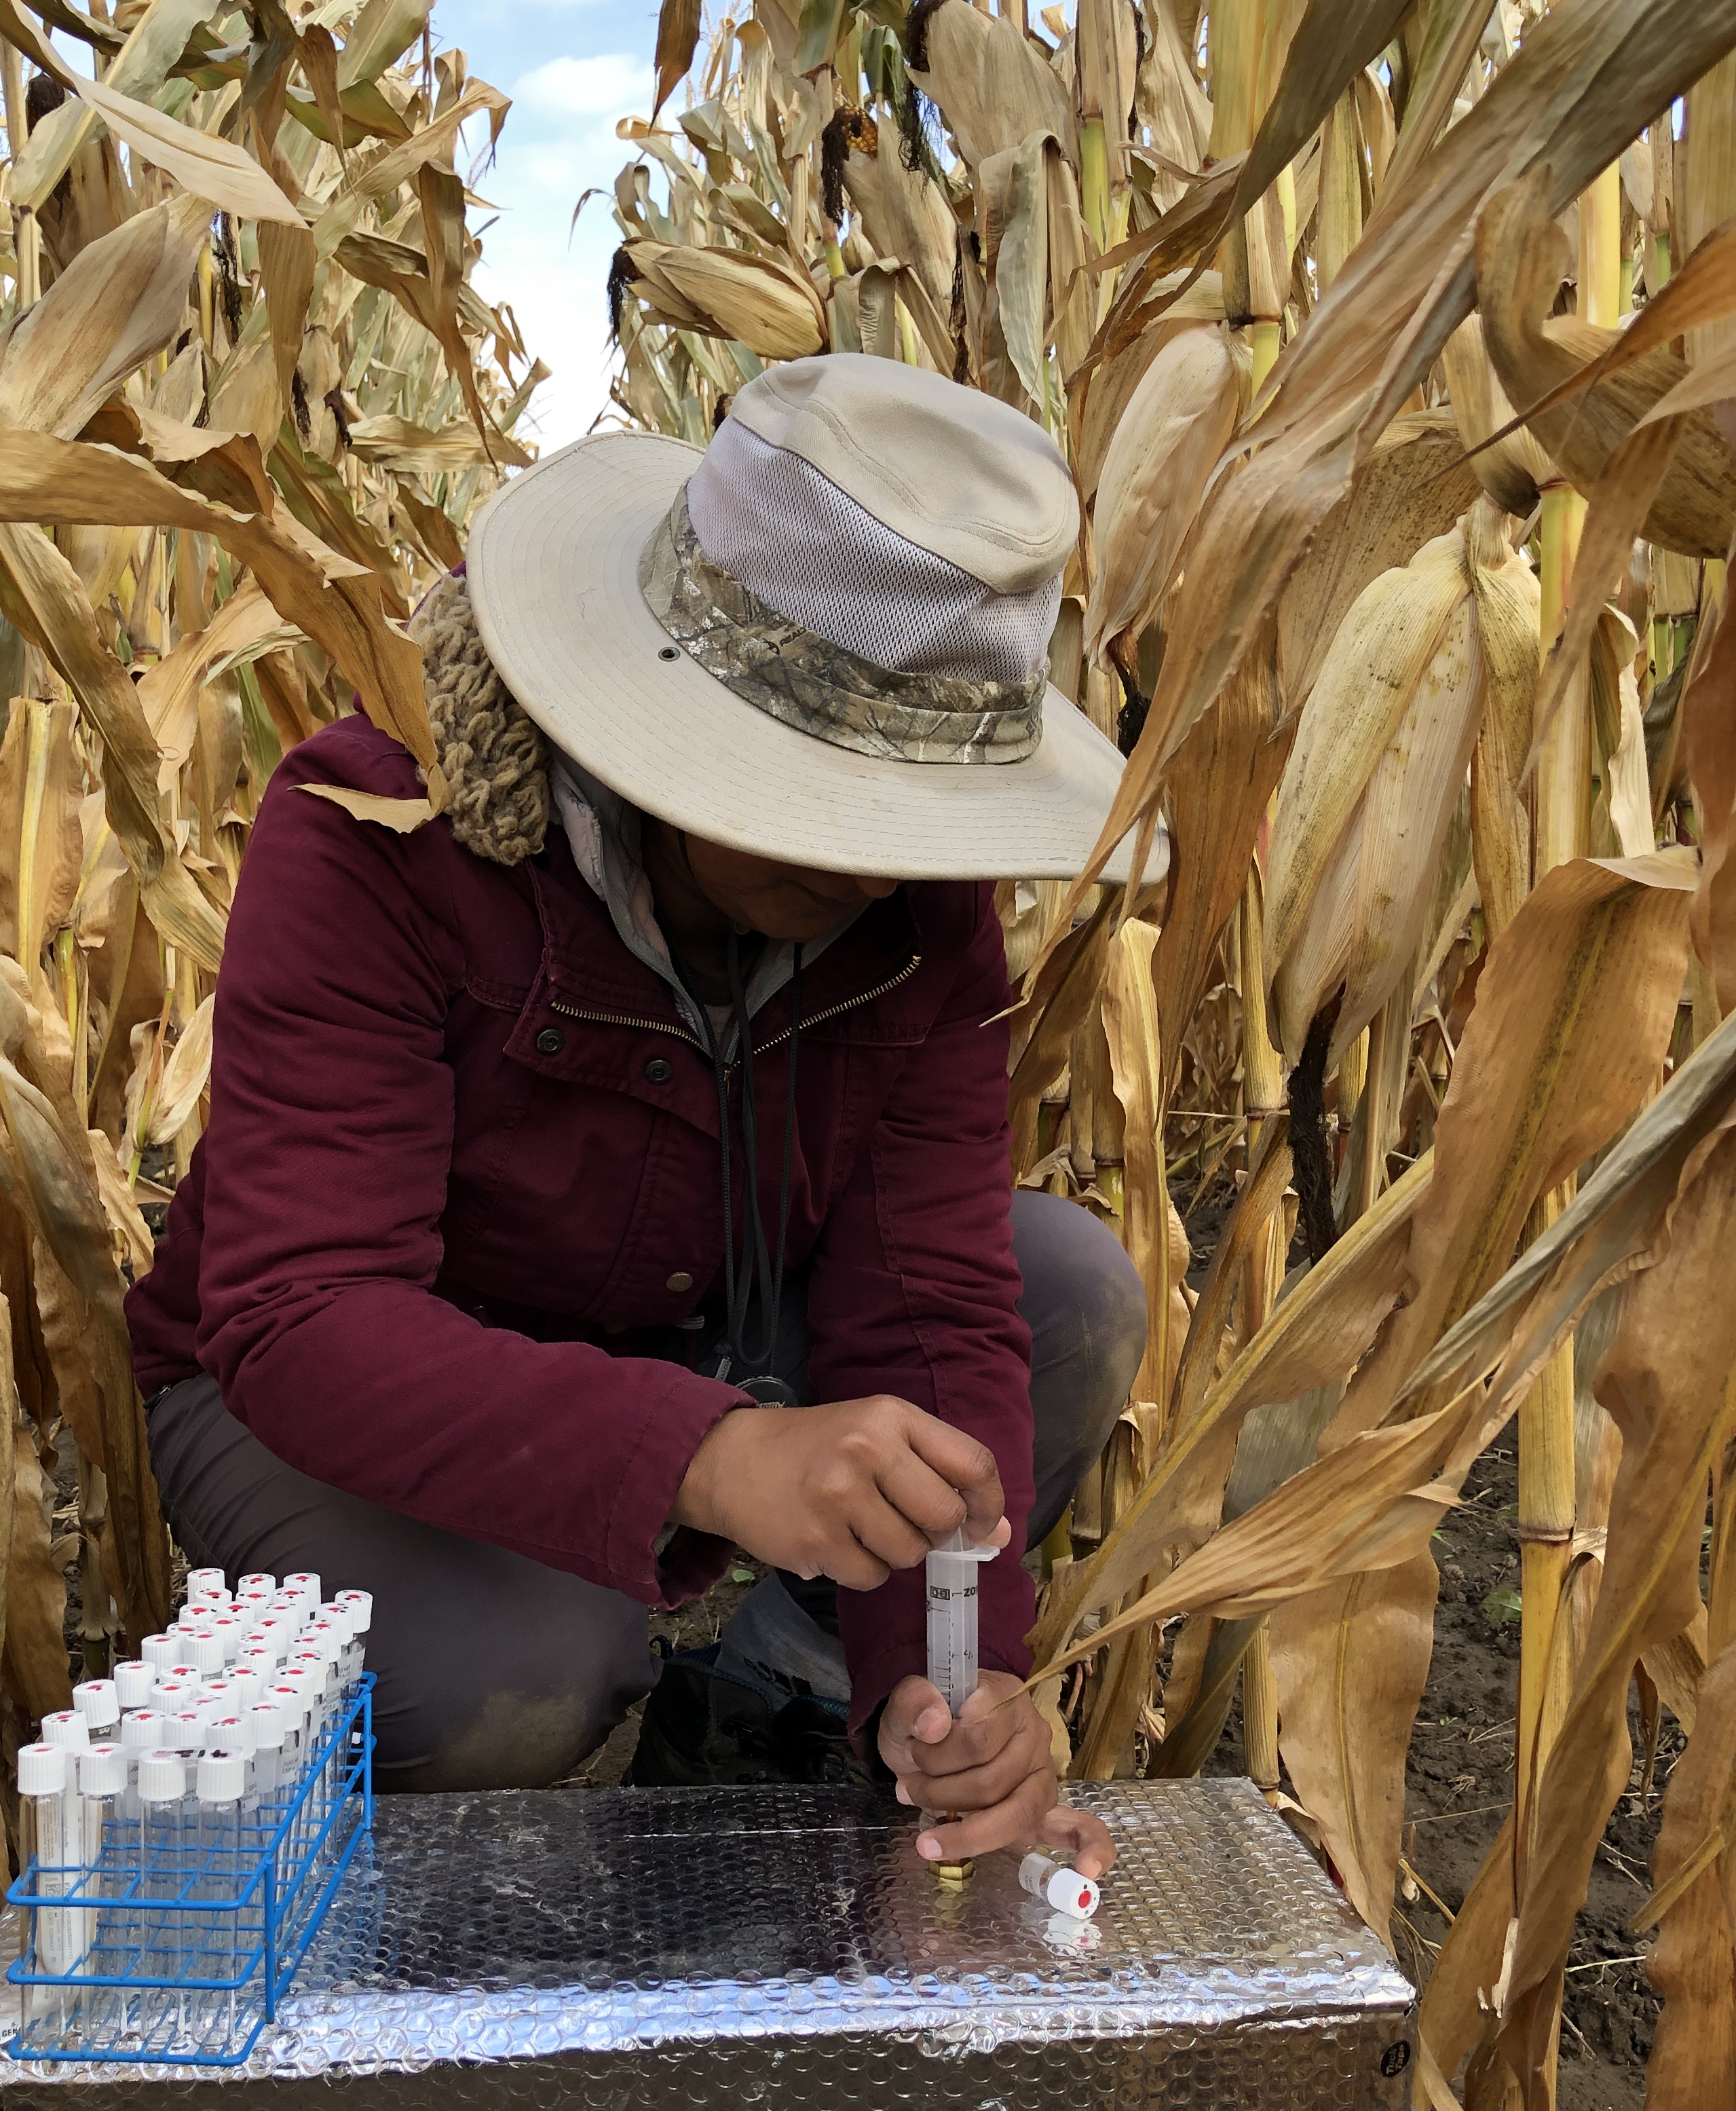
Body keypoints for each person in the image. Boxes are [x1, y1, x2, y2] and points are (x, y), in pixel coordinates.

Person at [126, 355, 1158, 1881]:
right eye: (828, 809)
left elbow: (928, 1300)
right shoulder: (378, 839)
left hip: (696, 1350)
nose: (878, 876)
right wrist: (718, 1453)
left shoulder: (923, 916)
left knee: (1070, 1292)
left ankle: (778, 1719)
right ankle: (427, 1856)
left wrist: (955, 1679)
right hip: (316, 1401)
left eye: (904, 822)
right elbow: (304, 1318)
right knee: (518, 1676)